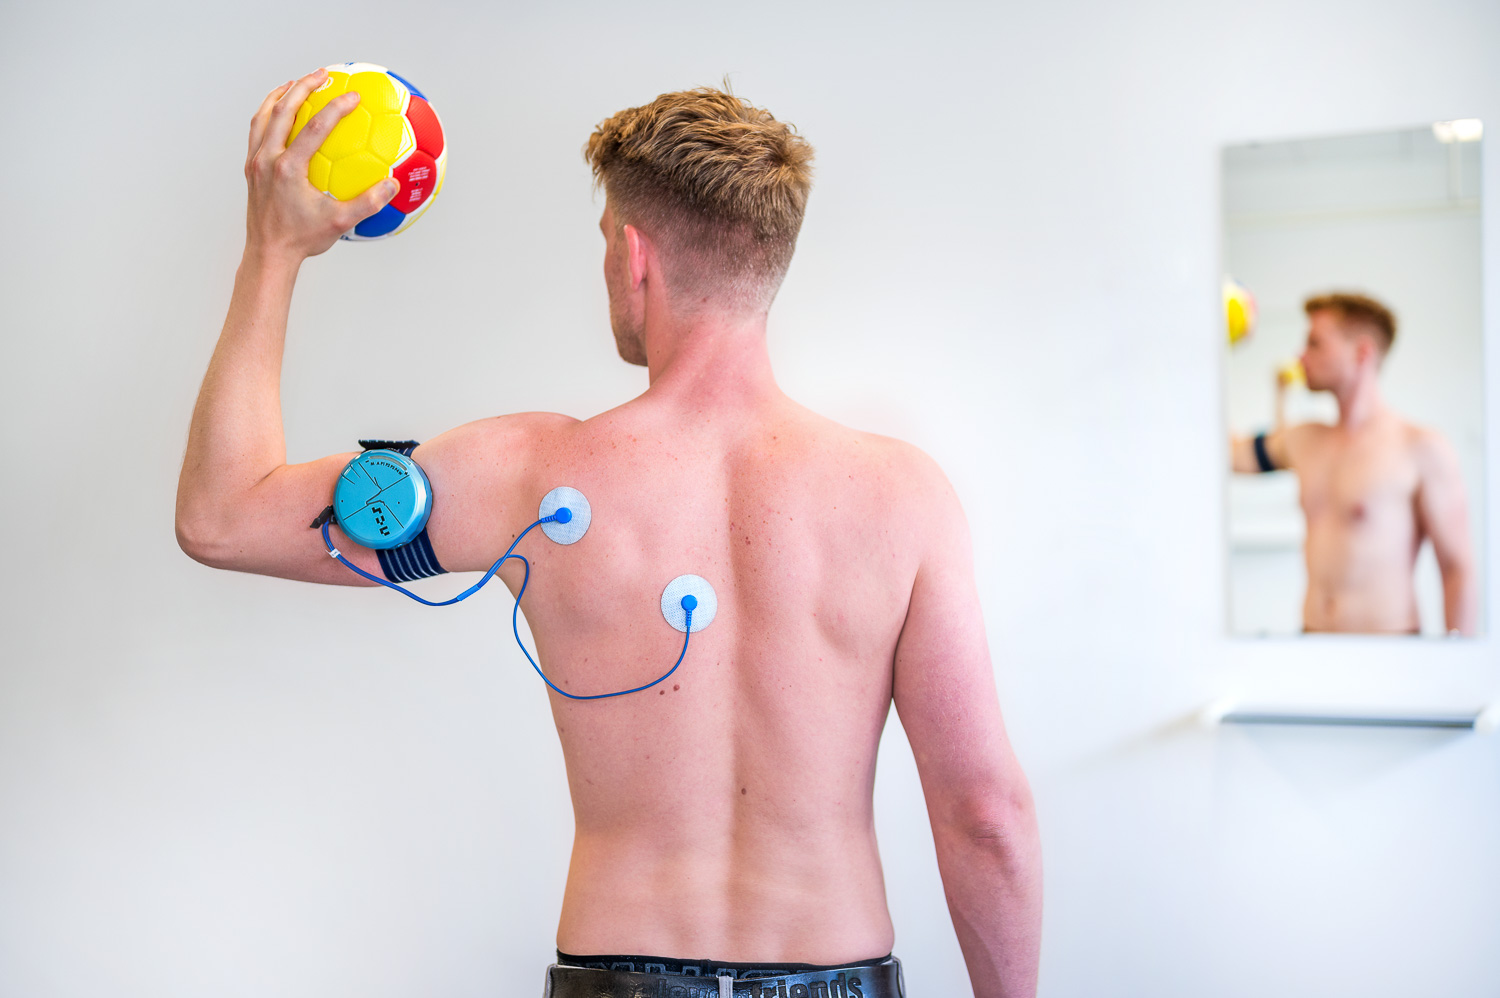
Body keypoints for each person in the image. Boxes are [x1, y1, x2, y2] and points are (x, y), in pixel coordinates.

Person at [176, 70, 1042, 997]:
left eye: (602, 246)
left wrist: (272, 250)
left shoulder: (529, 480)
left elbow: (223, 518)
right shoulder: (902, 498)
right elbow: (984, 817)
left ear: (634, 257)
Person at [1230, 292, 1477, 635]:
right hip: (1312, 643)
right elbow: (1227, 454)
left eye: (1315, 343)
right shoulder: (1304, 440)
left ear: (1362, 352)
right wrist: (1209, 349)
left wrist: (1457, 674)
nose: (1301, 356)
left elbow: (1457, 569)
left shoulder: (1421, 447)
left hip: (1390, 653)